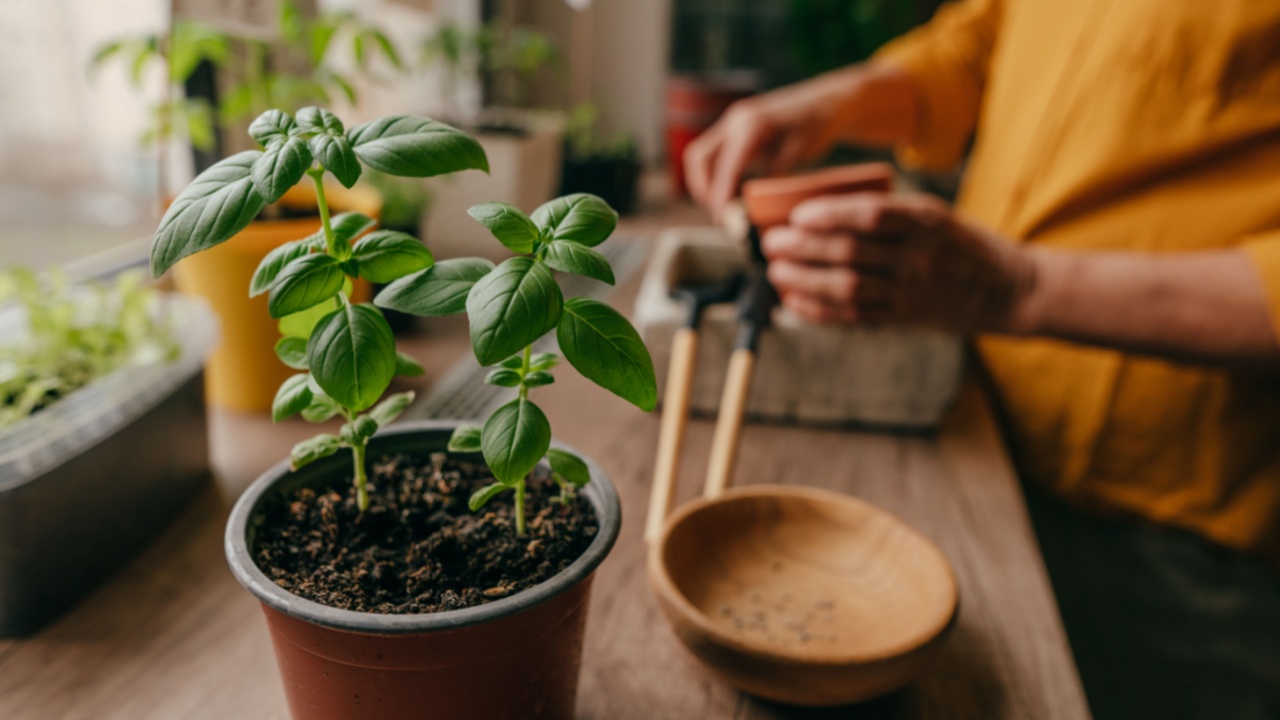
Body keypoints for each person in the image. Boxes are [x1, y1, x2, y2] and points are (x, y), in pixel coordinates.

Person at [683, 2, 1280, 719]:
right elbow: (986, 36)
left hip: (1170, 538)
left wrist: (1021, 286)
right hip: (976, 430)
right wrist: (837, 103)